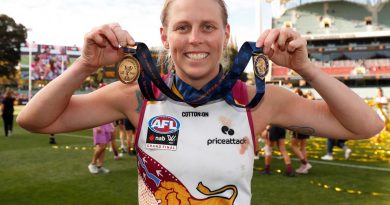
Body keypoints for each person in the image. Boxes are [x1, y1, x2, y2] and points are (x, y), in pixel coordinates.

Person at [17, 0, 383, 203]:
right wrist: (85, 65)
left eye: (208, 27)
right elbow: (36, 120)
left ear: (225, 36)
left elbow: (366, 127)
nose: (195, 39)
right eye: (182, 27)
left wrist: (308, 69)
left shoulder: (256, 99)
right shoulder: (138, 97)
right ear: (165, 35)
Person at [291, 88, 312, 174]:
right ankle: (304, 167)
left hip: (299, 126)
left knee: (294, 146)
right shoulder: (305, 101)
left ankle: (305, 163)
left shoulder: (297, 102)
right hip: (307, 125)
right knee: (302, 147)